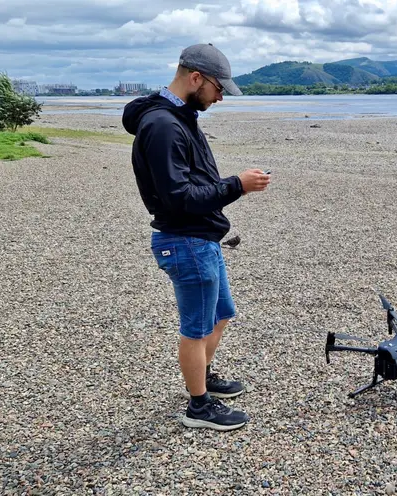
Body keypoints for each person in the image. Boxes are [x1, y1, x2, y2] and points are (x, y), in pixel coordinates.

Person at [122, 43, 270, 431]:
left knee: (221, 315)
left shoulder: (179, 116)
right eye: (219, 89)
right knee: (196, 328)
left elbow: (189, 186)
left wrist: (230, 186)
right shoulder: (164, 125)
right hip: (185, 240)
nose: (220, 97)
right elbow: (178, 198)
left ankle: (203, 378)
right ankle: (199, 407)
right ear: (196, 78)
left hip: (201, 238)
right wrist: (237, 185)